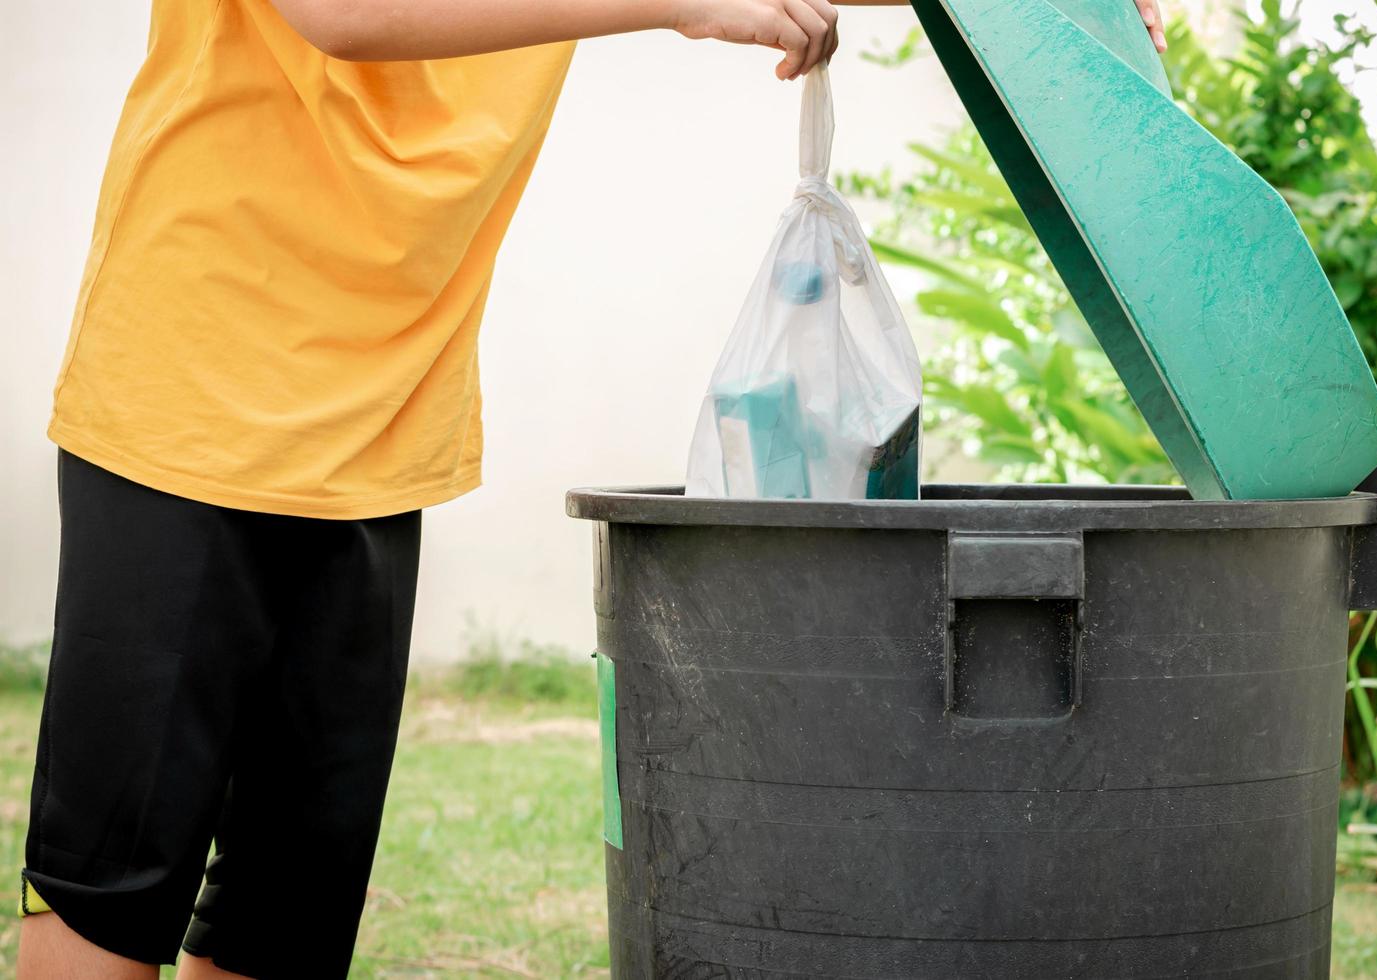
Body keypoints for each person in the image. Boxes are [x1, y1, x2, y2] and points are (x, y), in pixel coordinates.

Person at [17, 0, 1166, 977]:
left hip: (379, 430)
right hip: (192, 396)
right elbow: (343, 15)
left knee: (283, 914)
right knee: (111, 896)